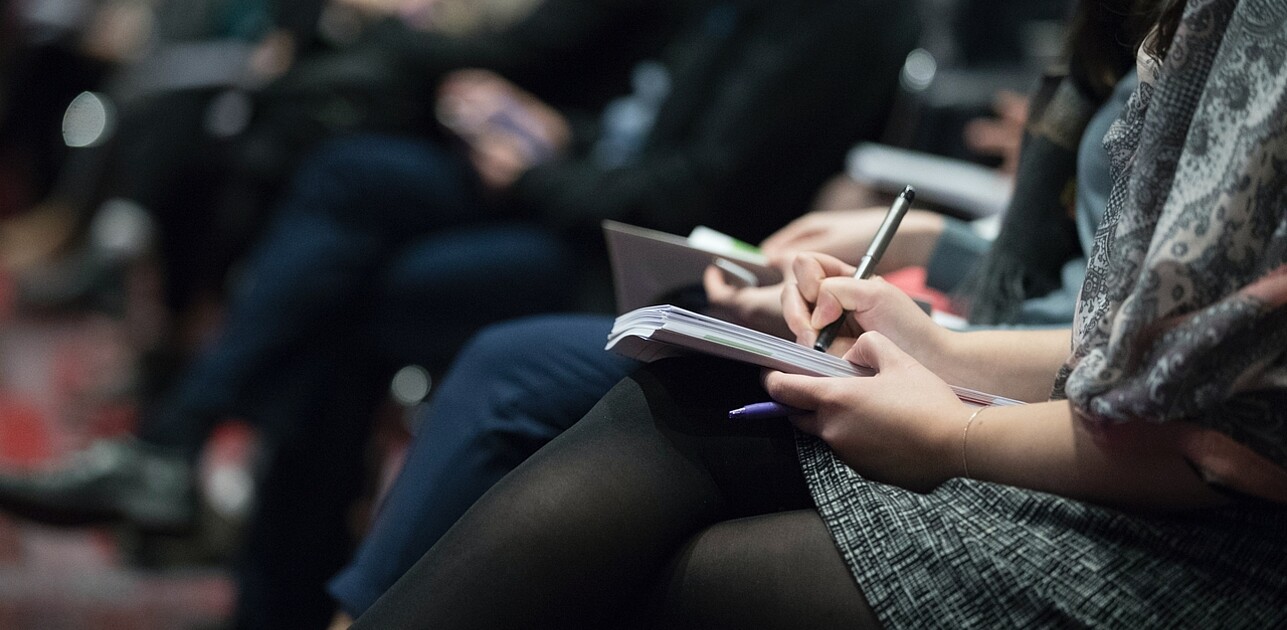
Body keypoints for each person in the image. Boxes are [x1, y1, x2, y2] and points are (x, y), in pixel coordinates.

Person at [349, 0, 1287, 626]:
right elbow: (1126, 343)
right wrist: (926, 337)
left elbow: (1220, 435)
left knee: (639, 541)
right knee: (671, 392)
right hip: (1097, 426)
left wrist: (953, 425)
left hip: (1214, 547)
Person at [0, 0, 921, 626]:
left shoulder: (835, 15)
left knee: (354, 296)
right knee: (343, 178)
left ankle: (258, 546)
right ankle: (215, 495)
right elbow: (632, 108)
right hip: (587, 197)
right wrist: (551, 133)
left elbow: (692, 190)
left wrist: (540, 167)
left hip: (659, 266)